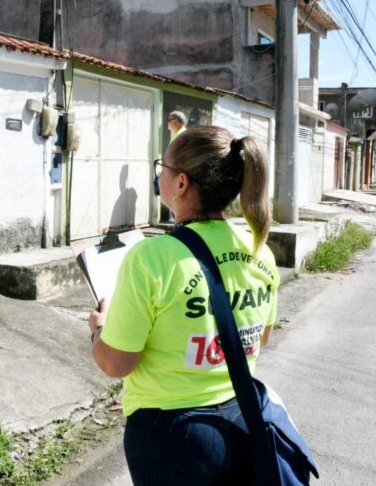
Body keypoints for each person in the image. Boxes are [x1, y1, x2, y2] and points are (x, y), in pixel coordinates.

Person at [88, 126, 279, 485]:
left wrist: (100, 327)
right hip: (242, 418)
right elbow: (260, 336)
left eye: (162, 165)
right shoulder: (259, 250)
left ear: (181, 184)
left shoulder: (153, 257)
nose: (158, 173)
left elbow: (116, 362)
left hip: (171, 435)